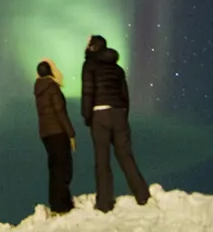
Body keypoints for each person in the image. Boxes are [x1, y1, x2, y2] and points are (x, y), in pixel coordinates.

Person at [80, 35, 150, 212]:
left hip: (99, 114)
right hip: (119, 114)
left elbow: (88, 92)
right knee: (125, 155)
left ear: (93, 47)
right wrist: (123, 114)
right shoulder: (117, 69)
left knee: (102, 160)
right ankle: (142, 196)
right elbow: (125, 96)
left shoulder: (89, 66)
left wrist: (87, 116)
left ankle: (104, 203)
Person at [34, 58, 76, 214]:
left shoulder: (39, 88)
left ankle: (57, 203)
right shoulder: (52, 88)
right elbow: (60, 112)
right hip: (58, 132)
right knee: (63, 168)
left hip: (46, 133)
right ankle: (62, 205)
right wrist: (71, 133)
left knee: (54, 168)